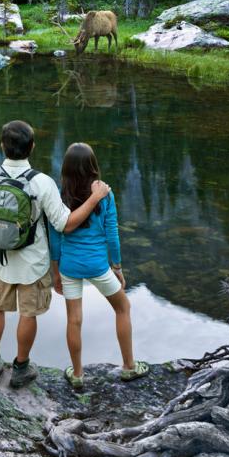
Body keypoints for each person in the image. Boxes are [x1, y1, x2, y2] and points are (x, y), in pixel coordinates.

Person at [0, 120, 110, 388]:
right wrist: (94, 199)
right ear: (32, 147)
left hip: (0, 260)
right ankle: (20, 367)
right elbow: (65, 224)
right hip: (33, 264)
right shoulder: (42, 183)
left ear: (2, 146)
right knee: (28, 313)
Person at [49, 141, 148, 386]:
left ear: (66, 168)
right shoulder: (105, 195)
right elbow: (112, 233)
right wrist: (117, 267)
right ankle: (128, 366)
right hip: (98, 266)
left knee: (74, 320)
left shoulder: (59, 196)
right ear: (93, 166)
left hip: (70, 266)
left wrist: (56, 272)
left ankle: (78, 374)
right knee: (122, 308)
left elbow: (54, 239)